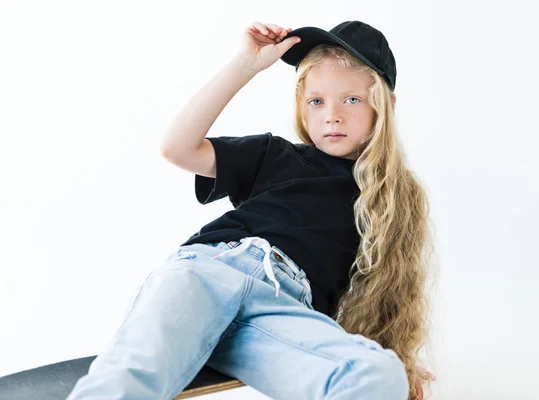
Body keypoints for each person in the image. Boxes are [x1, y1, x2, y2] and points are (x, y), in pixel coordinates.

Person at [66, 20, 437, 400]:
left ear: (386, 105)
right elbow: (176, 147)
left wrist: (401, 359)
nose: (332, 115)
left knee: (378, 373)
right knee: (130, 380)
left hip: (279, 313)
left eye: (352, 99)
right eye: (317, 101)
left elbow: (389, 293)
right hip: (208, 273)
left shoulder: (394, 196)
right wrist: (245, 66)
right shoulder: (274, 155)